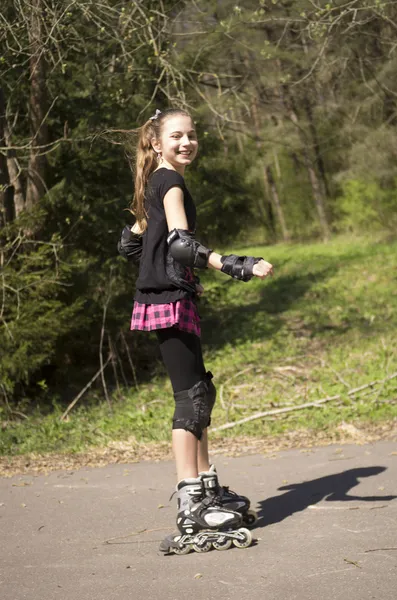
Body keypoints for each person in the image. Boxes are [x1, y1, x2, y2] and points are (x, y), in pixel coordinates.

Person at [118, 108, 274, 554]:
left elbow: (131, 242)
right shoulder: (170, 183)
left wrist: (152, 249)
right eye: (176, 136)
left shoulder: (156, 182)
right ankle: (191, 502)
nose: (187, 142)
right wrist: (234, 265)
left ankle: (207, 488)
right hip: (168, 300)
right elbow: (181, 244)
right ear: (156, 143)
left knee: (199, 391)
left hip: (168, 297)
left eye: (192, 135)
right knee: (190, 400)